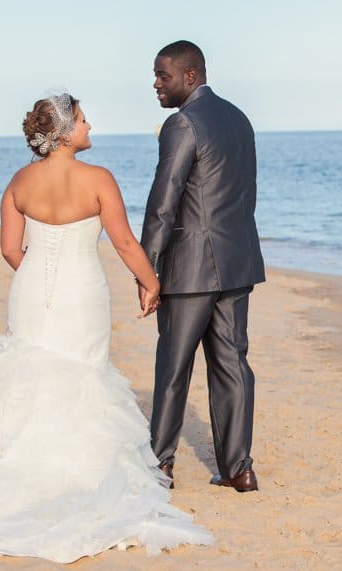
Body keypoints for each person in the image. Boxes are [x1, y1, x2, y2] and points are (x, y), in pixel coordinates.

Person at [0, 93, 214, 562]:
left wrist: (36, 277)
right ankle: (81, 479)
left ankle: (18, 477)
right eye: (85, 120)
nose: (90, 127)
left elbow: (10, 249)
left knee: (27, 377)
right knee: (84, 373)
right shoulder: (98, 179)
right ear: (66, 132)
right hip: (82, 293)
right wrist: (151, 283)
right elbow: (125, 241)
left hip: (29, 292)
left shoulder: (19, 181)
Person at [140, 41, 265, 492]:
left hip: (190, 269)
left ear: (190, 76)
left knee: (173, 368)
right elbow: (244, 193)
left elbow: (163, 203)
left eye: (163, 75)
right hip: (237, 261)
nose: (155, 83)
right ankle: (239, 469)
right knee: (233, 367)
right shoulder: (239, 119)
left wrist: (146, 268)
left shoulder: (182, 122)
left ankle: (160, 465)